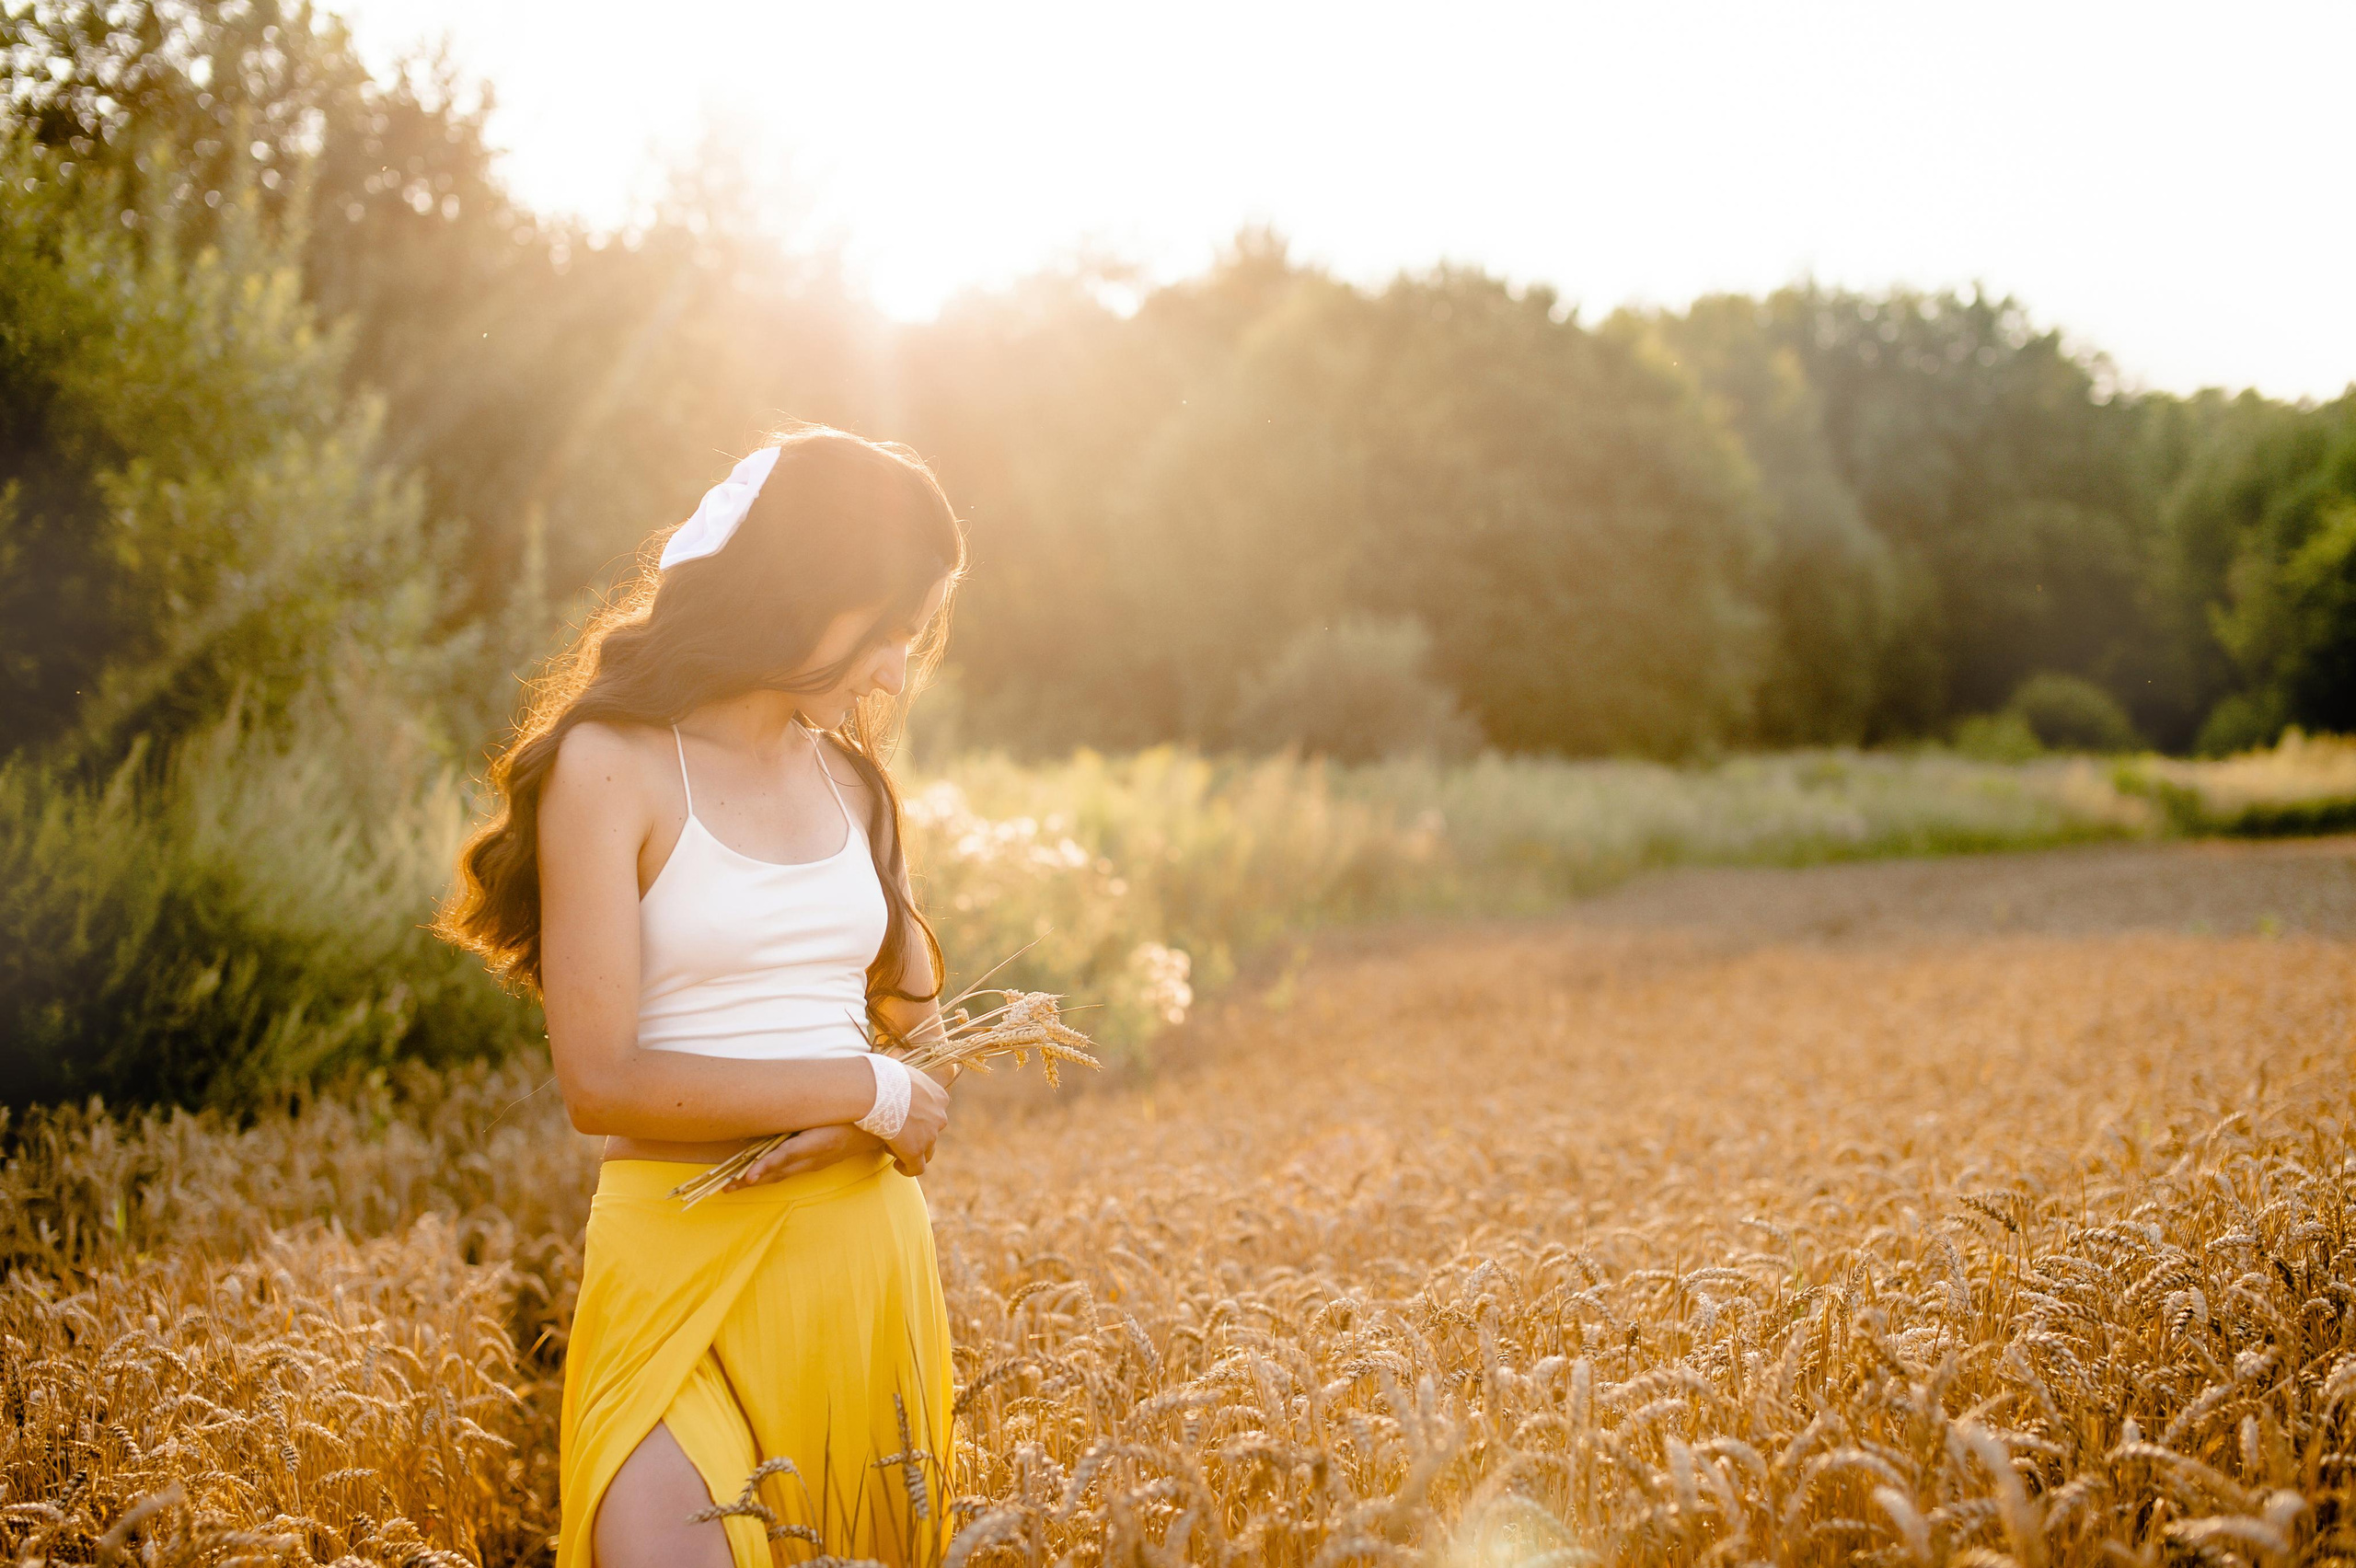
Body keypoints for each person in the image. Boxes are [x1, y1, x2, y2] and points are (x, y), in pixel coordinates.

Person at [432, 425, 971, 1567]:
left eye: (910, 644)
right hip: (672, 1266)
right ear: (799, 591)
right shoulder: (610, 765)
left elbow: (929, 1060)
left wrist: (881, 1105)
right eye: (884, 633)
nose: (891, 674)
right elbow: (601, 1080)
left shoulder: (858, 790)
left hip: (859, 1265)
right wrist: (860, 1092)